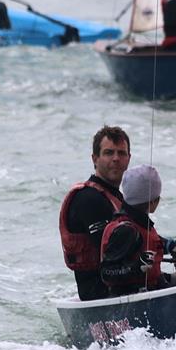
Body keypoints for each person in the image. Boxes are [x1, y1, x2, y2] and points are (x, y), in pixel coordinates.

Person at [99, 164, 176, 296]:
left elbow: (155, 241)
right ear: (153, 203)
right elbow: (106, 273)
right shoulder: (126, 231)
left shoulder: (138, 223)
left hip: (155, 285)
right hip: (132, 297)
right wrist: (137, 267)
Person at [59, 125, 131, 300]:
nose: (115, 159)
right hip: (100, 297)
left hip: (126, 288)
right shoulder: (88, 199)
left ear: (129, 159)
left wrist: (173, 246)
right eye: (108, 153)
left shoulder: (118, 198)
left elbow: (140, 231)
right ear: (95, 158)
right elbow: (113, 248)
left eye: (121, 153)